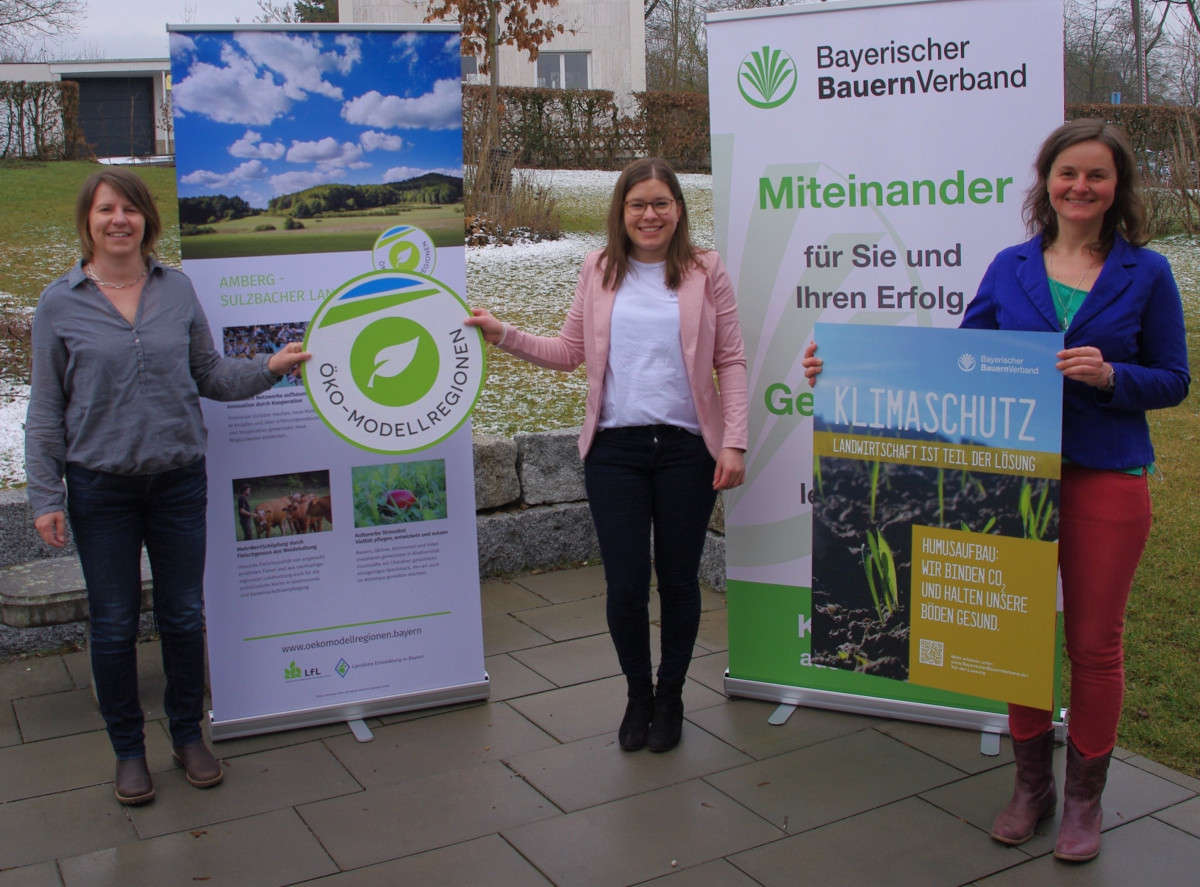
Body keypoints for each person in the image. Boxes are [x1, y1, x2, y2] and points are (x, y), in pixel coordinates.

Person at [803, 119, 1189, 862]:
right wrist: (846, 373)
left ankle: (1083, 799)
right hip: (1013, 481)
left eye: (1096, 175)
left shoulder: (1149, 274)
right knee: (1016, 636)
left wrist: (1113, 378)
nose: (1080, 186)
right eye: (1067, 172)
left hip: (1107, 477)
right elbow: (955, 363)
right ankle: (1031, 785)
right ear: (1046, 181)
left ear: (1118, 188)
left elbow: (1174, 378)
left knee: (1094, 645)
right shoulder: (1010, 267)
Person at [25, 168, 311, 805]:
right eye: (106, 210)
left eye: (130, 209)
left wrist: (270, 366)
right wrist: (46, 497)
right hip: (101, 489)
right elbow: (45, 408)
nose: (119, 220)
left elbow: (208, 374)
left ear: (147, 221)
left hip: (179, 482)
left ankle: (187, 736)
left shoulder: (176, 291)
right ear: (88, 223)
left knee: (183, 614)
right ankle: (129, 751)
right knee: (114, 623)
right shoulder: (59, 303)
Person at [466, 157, 749, 753]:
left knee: (677, 580)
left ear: (678, 209)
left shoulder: (705, 270)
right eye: (637, 204)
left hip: (685, 450)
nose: (650, 215)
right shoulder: (598, 269)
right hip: (615, 450)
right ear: (620, 212)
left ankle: (671, 697)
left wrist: (733, 441)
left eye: (661, 203)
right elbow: (570, 351)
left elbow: (731, 361)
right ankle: (637, 696)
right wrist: (504, 334)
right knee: (624, 583)